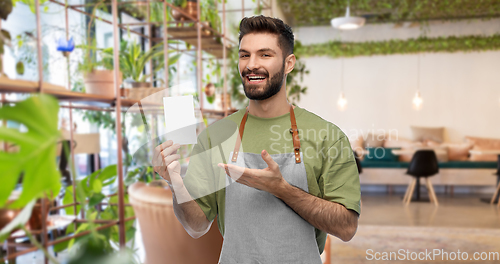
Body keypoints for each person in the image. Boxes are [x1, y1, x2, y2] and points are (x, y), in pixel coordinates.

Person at [153, 15, 360, 263]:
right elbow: (196, 226)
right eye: (244, 55)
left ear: (289, 63)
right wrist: (174, 181)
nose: (251, 64)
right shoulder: (216, 136)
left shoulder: (328, 136)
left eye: (265, 55)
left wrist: (281, 189)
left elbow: (347, 228)